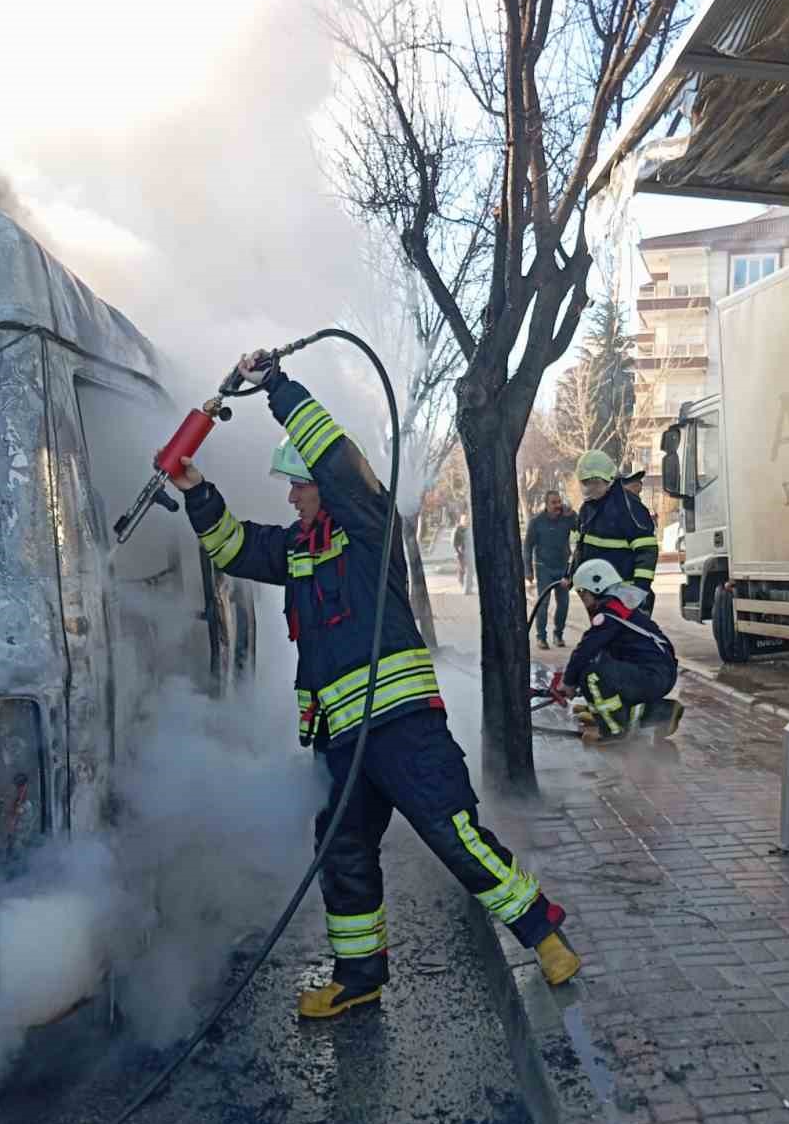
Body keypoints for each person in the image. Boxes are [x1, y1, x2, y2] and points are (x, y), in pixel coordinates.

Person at [171, 351, 580, 1018]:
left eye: (298, 485)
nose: (291, 494)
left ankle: (542, 932)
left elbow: (332, 454)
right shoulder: (299, 551)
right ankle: (358, 976)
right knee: (343, 854)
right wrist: (193, 488)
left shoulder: (369, 527)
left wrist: (275, 385)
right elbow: (233, 546)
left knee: (455, 835)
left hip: (401, 730)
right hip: (342, 741)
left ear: (325, 489)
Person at [558, 559, 683, 741]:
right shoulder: (620, 607)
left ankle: (613, 731)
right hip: (658, 673)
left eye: (582, 593)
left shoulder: (608, 616)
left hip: (653, 675)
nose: (583, 600)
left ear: (596, 589)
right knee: (595, 668)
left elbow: (585, 650)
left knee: (591, 675)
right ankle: (662, 712)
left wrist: (568, 681)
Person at [569, 449, 658, 613]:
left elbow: (647, 550)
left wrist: (639, 589)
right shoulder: (587, 509)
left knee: (630, 638)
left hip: (626, 596)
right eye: (586, 482)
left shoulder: (629, 508)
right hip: (598, 594)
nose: (589, 488)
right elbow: (581, 548)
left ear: (609, 479)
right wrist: (570, 576)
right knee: (604, 636)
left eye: (595, 482)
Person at [523, 490, 577, 650]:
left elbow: (582, 526)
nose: (558, 505)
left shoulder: (567, 519)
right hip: (543, 567)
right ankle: (541, 637)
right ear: (546, 505)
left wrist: (573, 513)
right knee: (543, 603)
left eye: (559, 502)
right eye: (553, 503)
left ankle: (558, 634)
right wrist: (528, 570)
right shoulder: (537, 522)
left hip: (563, 568)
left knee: (564, 603)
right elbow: (527, 547)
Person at [452, 513, 470, 593]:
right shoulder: (457, 529)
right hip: (460, 552)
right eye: (465, 520)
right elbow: (453, 542)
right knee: (461, 568)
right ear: (461, 520)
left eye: (467, 519)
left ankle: (465, 584)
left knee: (466, 568)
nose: (466, 521)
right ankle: (461, 583)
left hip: (467, 551)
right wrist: (457, 551)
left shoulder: (467, 529)